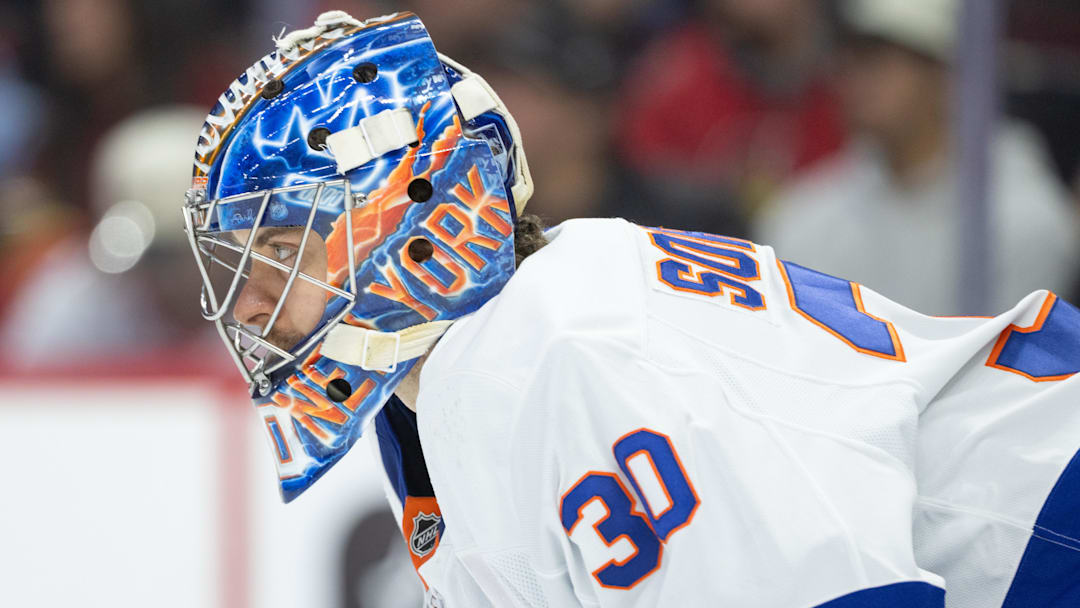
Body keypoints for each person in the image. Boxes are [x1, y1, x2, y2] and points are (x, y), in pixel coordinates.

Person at [182, 11, 1080, 607]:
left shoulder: (574, 348)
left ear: (411, 207)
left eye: (277, 249)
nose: (251, 304)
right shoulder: (453, 380)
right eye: (237, 263)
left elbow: (839, 596)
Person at [754, 0, 1079, 316]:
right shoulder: (804, 214)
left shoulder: (1020, 216)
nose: (857, 76)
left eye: (881, 57)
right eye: (852, 56)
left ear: (944, 73)